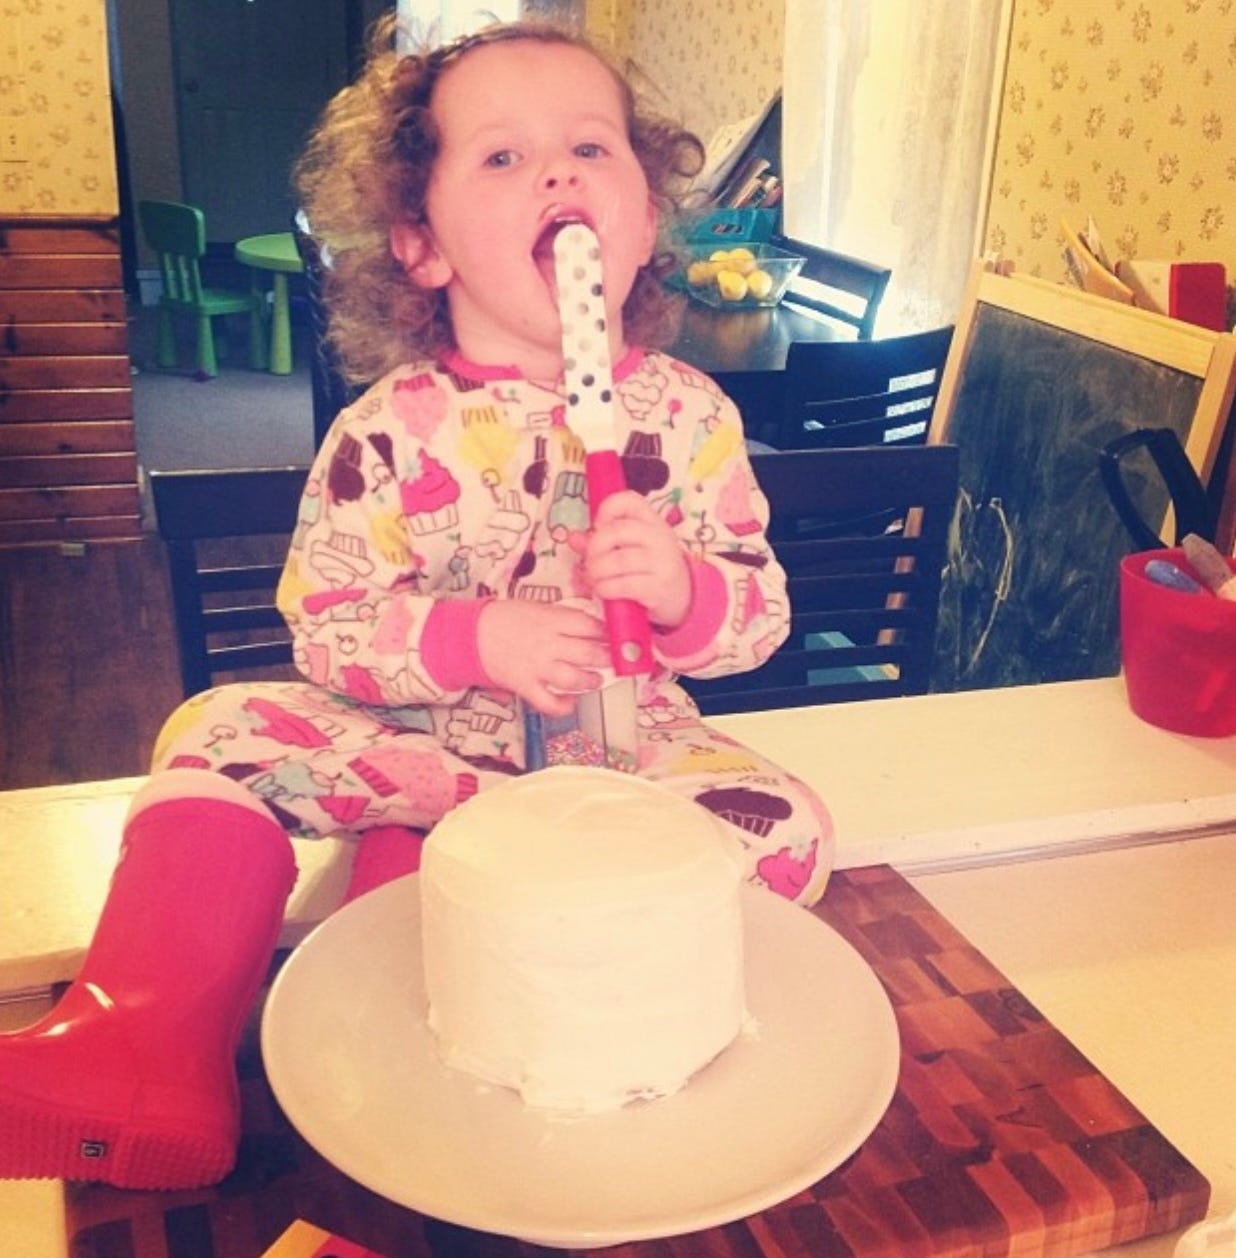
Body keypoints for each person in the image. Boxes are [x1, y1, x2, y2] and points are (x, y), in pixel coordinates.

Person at [0, 16, 833, 1193]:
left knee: (790, 821)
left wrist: (684, 589)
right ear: (421, 245)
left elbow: (758, 618)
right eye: (503, 156)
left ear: (645, 220)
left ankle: (504, 1007)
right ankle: (143, 1047)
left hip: (624, 764)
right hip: (424, 751)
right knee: (213, 728)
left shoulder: (692, 418)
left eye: (591, 147)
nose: (557, 173)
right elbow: (326, 625)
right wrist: (473, 637)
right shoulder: (386, 432)